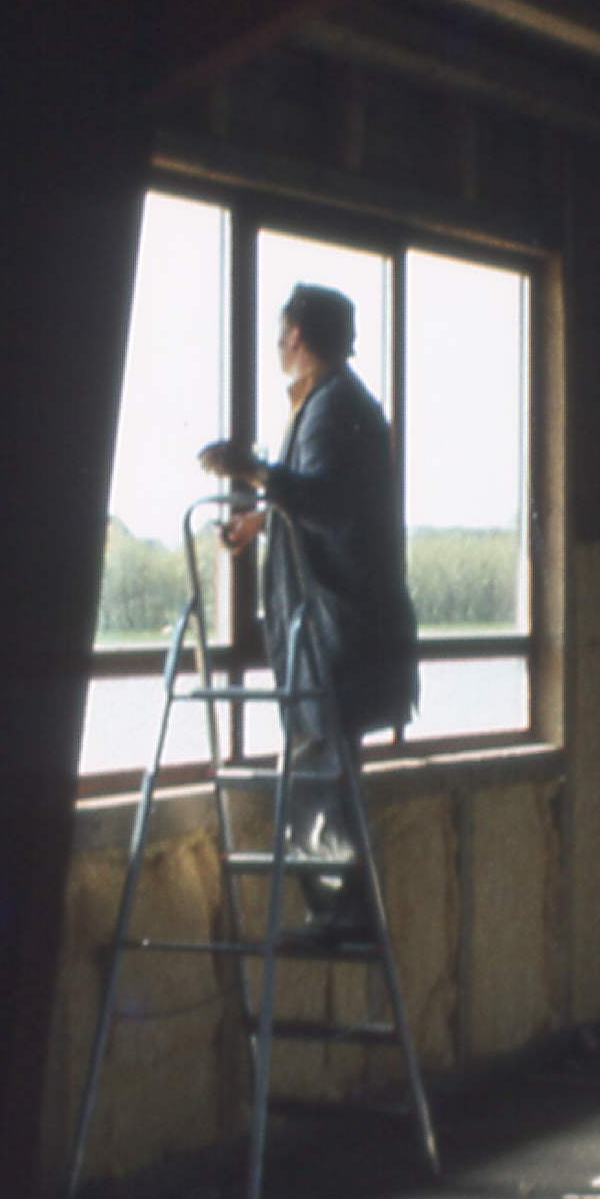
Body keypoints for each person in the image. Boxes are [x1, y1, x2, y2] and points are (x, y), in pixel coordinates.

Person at [199, 282, 417, 934]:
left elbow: (328, 504)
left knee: (317, 772)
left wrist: (257, 472)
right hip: (340, 638)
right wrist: (263, 520)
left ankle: (340, 915)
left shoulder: (328, 409)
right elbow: (332, 503)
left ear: (295, 336)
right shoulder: (337, 404)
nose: (273, 345)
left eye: (278, 333)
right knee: (320, 769)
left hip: (334, 641)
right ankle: (339, 911)